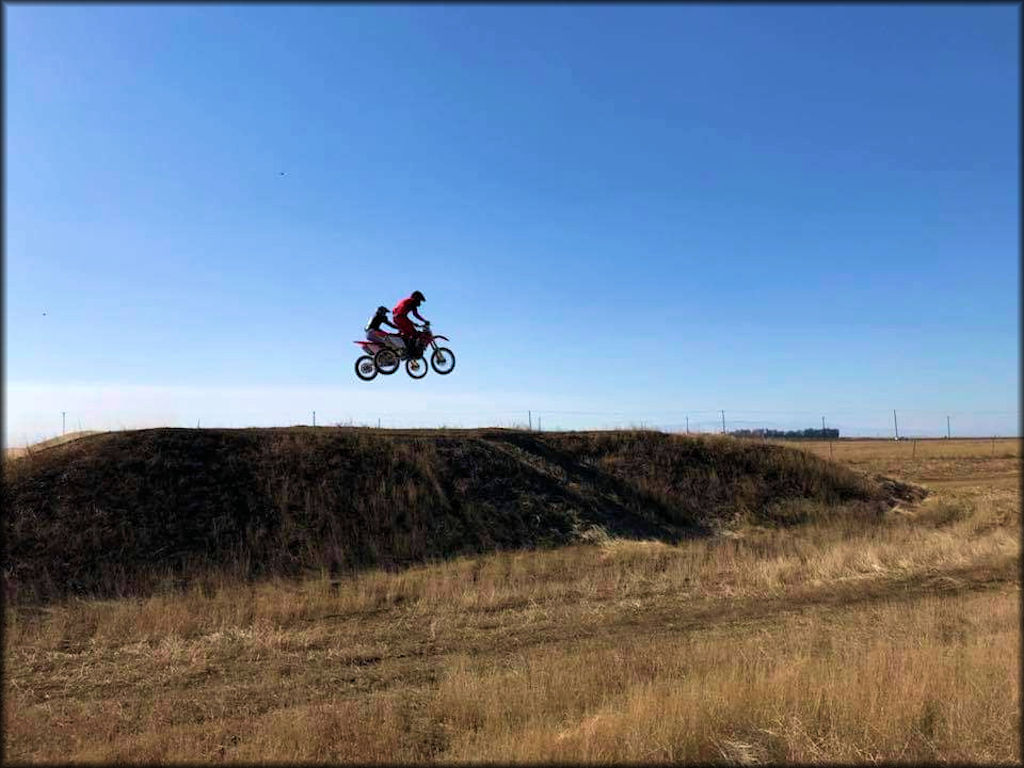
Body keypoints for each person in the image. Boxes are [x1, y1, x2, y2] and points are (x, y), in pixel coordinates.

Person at [392, 290, 428, 357]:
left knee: (406, 334)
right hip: (401, 317)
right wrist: (424, 321)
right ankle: (411, 352)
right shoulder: (412, 301)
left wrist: (413, 323)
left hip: (395, 318)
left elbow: (398, 312)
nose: (419, 302)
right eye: (419, 300)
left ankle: (405, 349)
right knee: (414, 334)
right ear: (416, 298)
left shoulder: (407, 300)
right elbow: (415, 314)